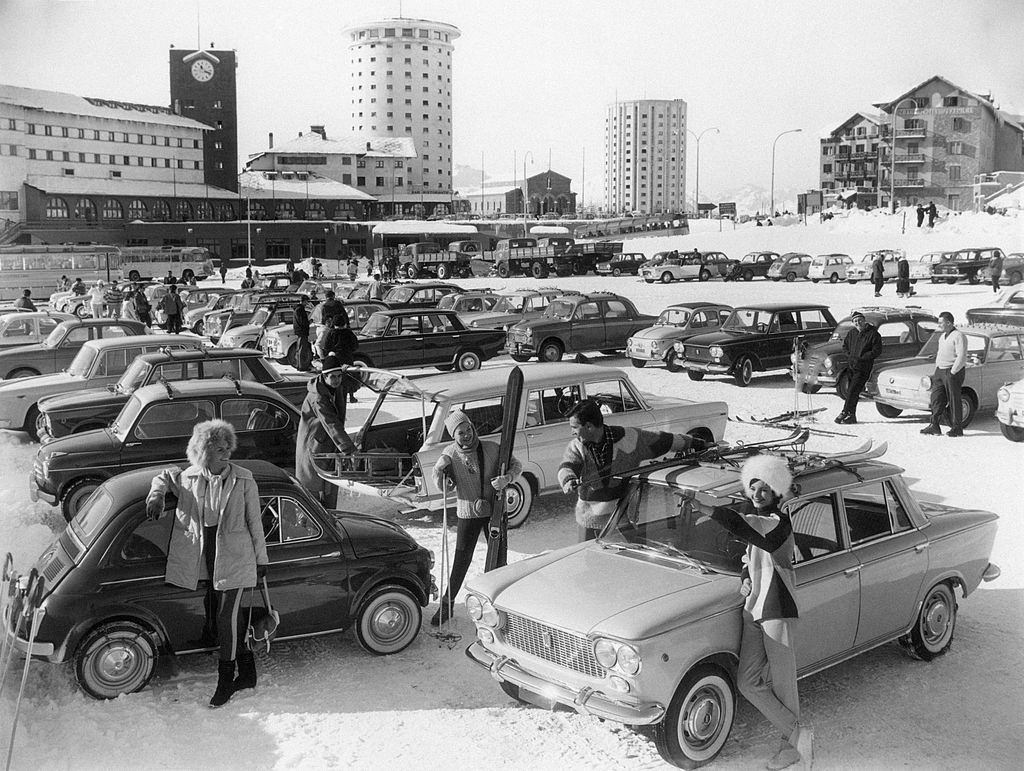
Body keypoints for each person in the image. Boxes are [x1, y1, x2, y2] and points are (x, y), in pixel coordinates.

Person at [696, 454, 812, 770]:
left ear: (776, 493)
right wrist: (746, 579)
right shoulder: (759, 522)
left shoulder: (778, 523)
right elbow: (750, 558)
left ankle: (794, 749)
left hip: (777, 608)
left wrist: (711, 510)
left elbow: (750, 531)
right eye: (753, 488)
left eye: (764, 489)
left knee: (784, 685)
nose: (758, 494)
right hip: (754, 609)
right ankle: (798, 735)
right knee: (748, 683)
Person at [145, 419, 268, 708]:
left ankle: (226, 681)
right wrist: (156, 496)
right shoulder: (188, 477)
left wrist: (261, 560)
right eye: (218, 449)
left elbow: (255, 522)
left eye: (228, 448)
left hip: (238, 557)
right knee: (224, 618)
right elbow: (162, 477)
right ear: (202, 453)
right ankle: (248, 673)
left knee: (227, 618)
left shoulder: (244, 479)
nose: (226, 454)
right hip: (206, 558)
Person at [557, 399, 707, 541]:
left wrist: (695, 443)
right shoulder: (576, 446)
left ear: (589, 426)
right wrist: (568, 479)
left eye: (574, 427)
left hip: (622, 517)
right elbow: (567, 466)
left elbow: (664, 440)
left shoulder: (630, 438)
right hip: (588, 521)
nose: (572, 432)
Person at [431, 409, 522, 626]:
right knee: (461, 561)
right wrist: (440, 472)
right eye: (460, 432)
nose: (466, 435)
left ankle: (498, 604)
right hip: (468, 513)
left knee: (498, 560)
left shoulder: (491, 448)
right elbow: (444, 486)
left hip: (495, 511)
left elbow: (516, 465)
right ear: (454, 436)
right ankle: (447, 605)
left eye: (468, 429)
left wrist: (507, 479)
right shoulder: (450, 454)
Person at [296, 354, 357, 509]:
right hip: (314, 447)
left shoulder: (332, 388)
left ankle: (330, 525)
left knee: (329, 489)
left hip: (328, 446)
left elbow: (348, 383)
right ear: (324, 376)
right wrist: (348, 449)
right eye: (332, 376)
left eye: (339, 376)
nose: (336, 380)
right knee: (313, 498)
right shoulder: (318, 398)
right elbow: (331, 423)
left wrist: (347, 370)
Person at [922, 312, 967, 437]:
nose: (939, 325)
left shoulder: (959, 336)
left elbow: (962, 356)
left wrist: (953, 372)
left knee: (954, 399)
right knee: (936, 398)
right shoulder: (942, 337)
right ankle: (934, 425)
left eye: (941, 322)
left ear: (949, 323)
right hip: (940, 371)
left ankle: (957, 428)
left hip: (952, 371)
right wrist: (937, 367)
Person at [835, 311, 883, 425]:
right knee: (854, 392)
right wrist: (849, 355)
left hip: (863, 367)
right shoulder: (852, 333)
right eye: (855, 321)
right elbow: (845, 346)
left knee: (851, 391)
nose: (858, 323)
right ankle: (852, 416)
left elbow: (877, 351)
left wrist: (862, 357)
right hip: (851, 365)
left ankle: (844, 411)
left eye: (860, 320)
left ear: (864, 321)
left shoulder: (873, 334)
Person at [292, 296, 313, 372]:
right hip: (302, 332)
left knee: (299, 349)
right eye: (307, 302)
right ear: (304, 301)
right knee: (302, 350)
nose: (307, 303)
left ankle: (299, 365)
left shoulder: (297, 309)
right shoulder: (300, 310)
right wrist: (309, 322)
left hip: (299, 332)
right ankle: (302, 366)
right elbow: (302, 321)